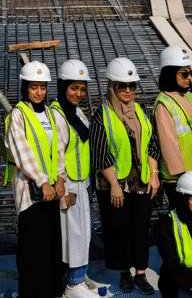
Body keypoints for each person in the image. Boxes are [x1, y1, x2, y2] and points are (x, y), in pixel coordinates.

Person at [91, 57, 161, 294]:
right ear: (112, 86)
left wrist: (154, 174)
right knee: (118, 229)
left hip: (140, 182)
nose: (128, 90)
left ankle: (140, 273)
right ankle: (124, 273)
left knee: (141, 227)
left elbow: (152, 143)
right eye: (122, 86)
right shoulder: (102, 116)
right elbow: (100, 154)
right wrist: (114, 184)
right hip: (114, 184)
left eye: (131, 86)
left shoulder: (140, 111)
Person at [4, 61, 67, 297]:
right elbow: (23, 153)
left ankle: (51, 291)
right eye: (34, 87)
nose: (39, 91)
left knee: (51, 247)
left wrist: (60, 179)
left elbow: (57, 149)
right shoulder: (18, 116)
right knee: (33, 250)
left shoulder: (51, 114)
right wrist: (43, 181)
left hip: (51, 192)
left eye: (42, 86)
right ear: (25, 87)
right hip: (31, 194)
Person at [51, 60, 98, 298]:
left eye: (82, 89)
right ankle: (73, 283)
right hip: (68, 184)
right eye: (73, 88)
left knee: (83, 233)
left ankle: (76, 278)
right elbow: (57, 152)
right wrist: (61, 186)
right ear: (62, 86)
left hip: (83, 182)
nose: (78, 94)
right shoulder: (57, 115)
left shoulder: (76, 111)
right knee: (74, 235)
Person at [153, 46, 192, 210]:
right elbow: (169, 145)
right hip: (178, 179)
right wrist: (183, 176)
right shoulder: (163, 103)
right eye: (184, 74)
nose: (189, 78)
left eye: (191, 73)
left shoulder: (187, 95)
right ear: (170, 73)